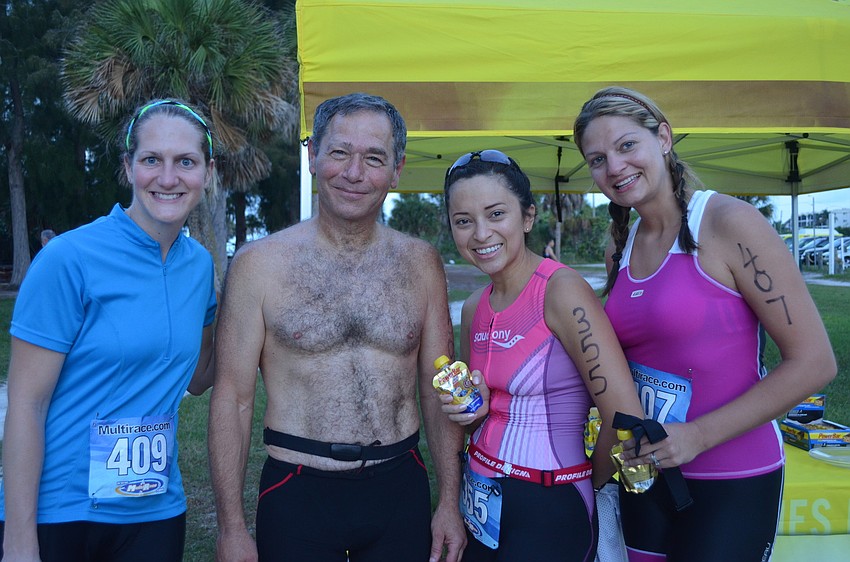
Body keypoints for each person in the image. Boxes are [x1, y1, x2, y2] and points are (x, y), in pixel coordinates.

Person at [572, 86, 837, 561]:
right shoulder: (621, 246)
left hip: (731, 478)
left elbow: (815, 363)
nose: (613, 167)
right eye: (596, 159)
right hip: (644, 478)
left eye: (627, 145)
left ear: (665, 138)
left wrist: (697, 436)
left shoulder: (729, 222)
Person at [208, 93, 466, 562]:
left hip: (399, 489)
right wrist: (231, 528)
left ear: (397, 169)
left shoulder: (421, 262)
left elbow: (437, 390)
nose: (354, 173)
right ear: (313, 155)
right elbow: (233, 397)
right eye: (340, 152)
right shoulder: (258, 266)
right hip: (296, 491)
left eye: (374, 158)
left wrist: (448, 501)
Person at [0, 98, 218, 561]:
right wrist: (19, 543)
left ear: (208, 172)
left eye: (186, 161)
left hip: (155, 510)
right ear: (127, 166)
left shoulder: (199, 266)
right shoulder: (68, 260)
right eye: (151, 160)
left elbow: (200, 376)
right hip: (62, 509)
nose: (167, 177)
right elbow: (26, 404)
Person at [440, 149, 644, 561]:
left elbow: (625, 415)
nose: (480, 234)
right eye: (464, 221)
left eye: (496, 214)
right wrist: (470, 409)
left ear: (528, 217)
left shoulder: (561, 290)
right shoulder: (473, 306)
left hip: (549, 501)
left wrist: (589, 479)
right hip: (478, 500)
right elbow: (486, 409)